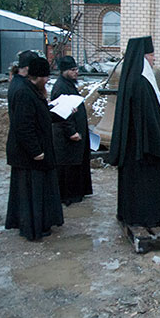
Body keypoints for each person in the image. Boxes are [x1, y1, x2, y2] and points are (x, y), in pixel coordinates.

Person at [109, 36, 160, 227]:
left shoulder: (134, 78)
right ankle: (146, 216)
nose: (154, 59)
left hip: (134, 146)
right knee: (144, 184)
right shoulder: (140, 83)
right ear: (143, 56)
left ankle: (129, 213)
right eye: (152, 55)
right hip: (145, 149)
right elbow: (148, 118)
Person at [5, 57, 63, 241]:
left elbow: (40, 116)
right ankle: (33, 228)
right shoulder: (24, 93)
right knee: (33, 193)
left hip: (34, 151)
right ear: (37, 76)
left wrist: (61, 114)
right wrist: (35, 151)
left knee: (38, 191)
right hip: (29, 155)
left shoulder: (31, 90)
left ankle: (41, 224)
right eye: (46, 77)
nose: (48, 80)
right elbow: (23, 126)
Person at [51, 55, 92, 206]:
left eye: (76, 69)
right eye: (72, 70)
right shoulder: (60, 87)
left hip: (74, 132)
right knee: (68, 167)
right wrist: (71, 131)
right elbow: (61, 113)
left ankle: (77, 192)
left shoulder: (68, 84)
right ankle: (68, 195)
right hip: (66, 136)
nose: (76, 72)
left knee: (76, 164)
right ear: (64, 71)